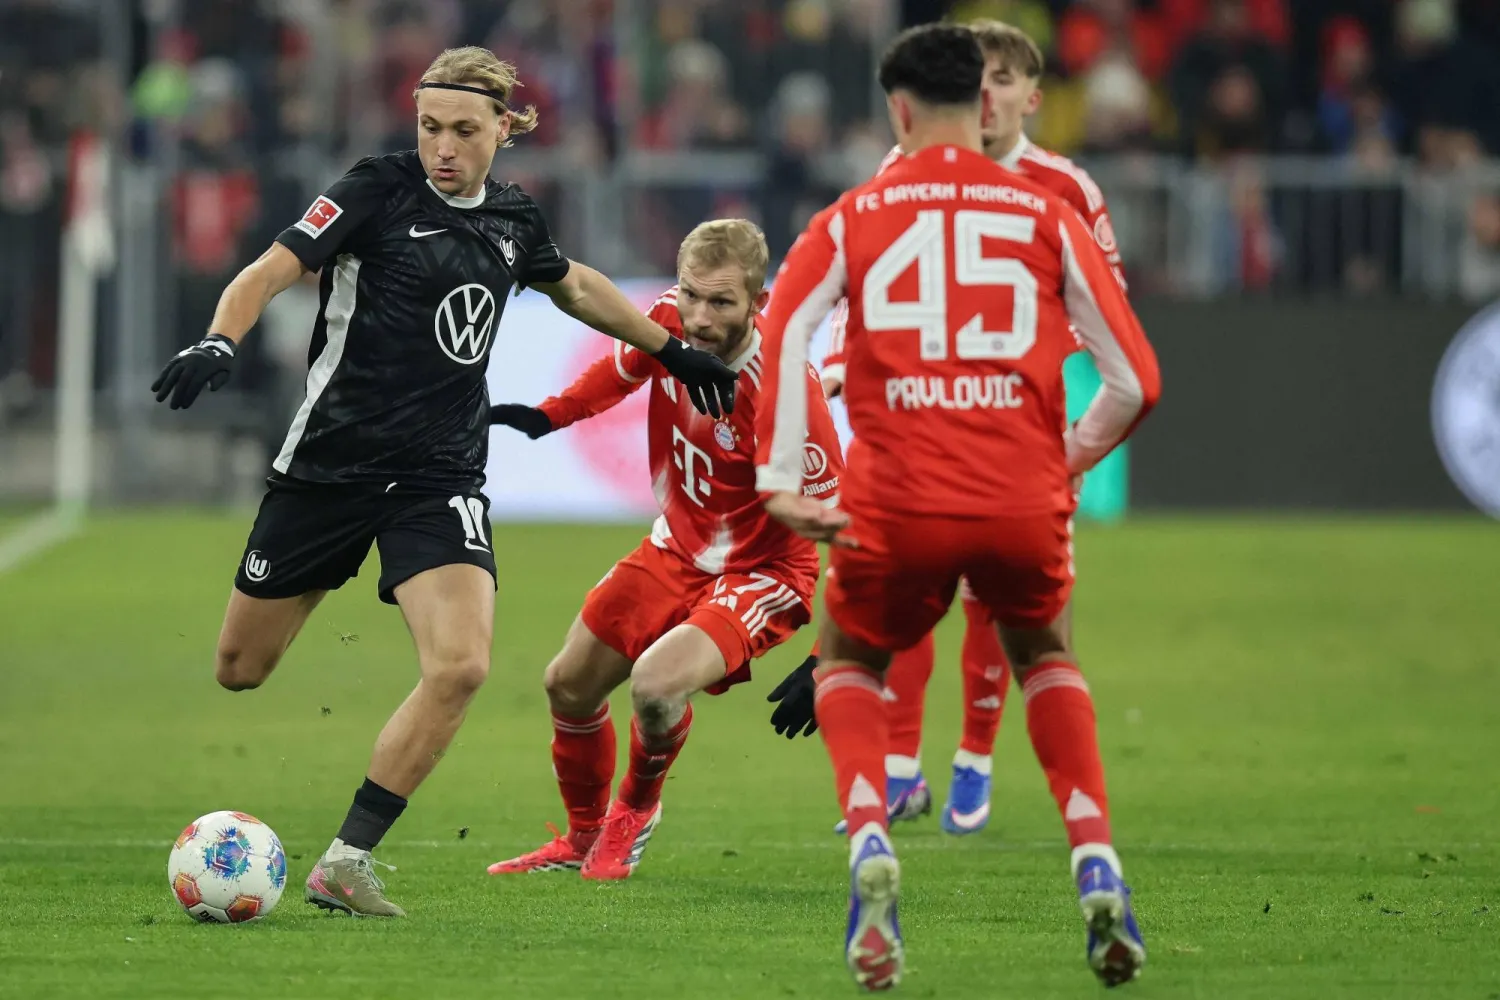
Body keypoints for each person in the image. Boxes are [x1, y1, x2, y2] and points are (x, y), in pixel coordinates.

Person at [149, 46, 738, 917]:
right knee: (241, 668)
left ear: (505, 129)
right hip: (330, 469)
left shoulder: (512, 218)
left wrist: (672, 349)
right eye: (430, 127)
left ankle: (347, 860)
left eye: (464, 130)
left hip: (440, 472)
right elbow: (272, 270)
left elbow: (573, 287)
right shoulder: (372, 190)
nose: (443, 147)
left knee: (461, 666)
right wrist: (220, 338)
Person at [753, 24, 1160, 990]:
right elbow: (1137, 380)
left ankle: (869, 843)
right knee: (1046, 654)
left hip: (895, 498)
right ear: (987, 103)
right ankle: (1095, 857)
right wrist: (1061, 466)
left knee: (850, 660)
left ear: (898, 109)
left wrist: (781, 478)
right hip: (1020, 493)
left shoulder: (853, 215)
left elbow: (782, 329)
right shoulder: (1048, 209)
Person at [483, 219, 842, 880]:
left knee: (654, 686)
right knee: (566, 685)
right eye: (690, 296)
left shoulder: (789, 392)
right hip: (676, 548)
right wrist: (548, 415)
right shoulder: (666, 327)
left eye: (721, 302)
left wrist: (829, 656)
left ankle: (634, 814)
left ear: (758, 305)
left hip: (766, 571)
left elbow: (845, 529)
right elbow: (617, 372)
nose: (699, 318)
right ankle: (582, 838)